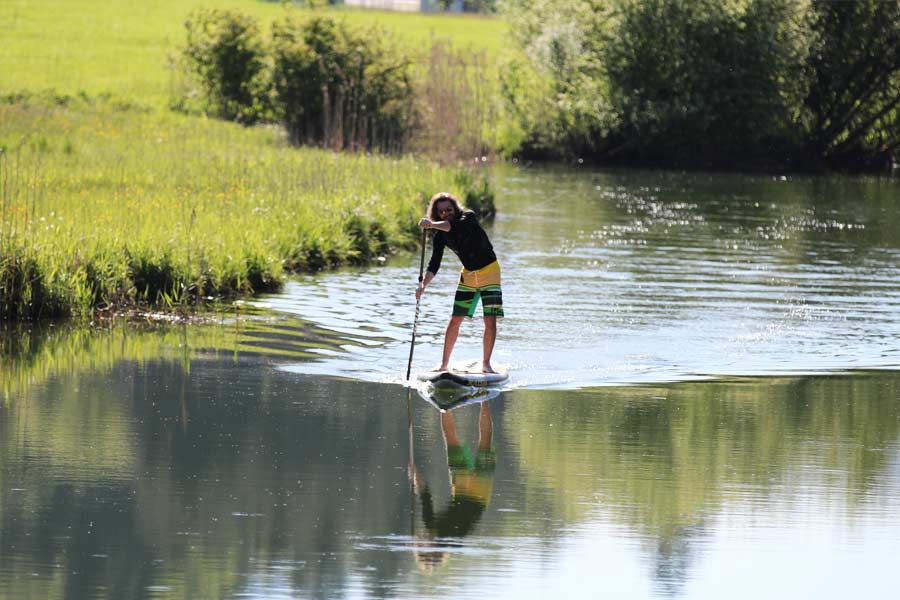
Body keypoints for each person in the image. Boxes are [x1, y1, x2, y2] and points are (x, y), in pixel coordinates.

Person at [416, 192, 503, 373]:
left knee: (489, 319)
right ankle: (443, 364)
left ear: (455, 208)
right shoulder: (440, 235)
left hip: (490, 272)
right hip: (468, 275)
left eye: (449, 209)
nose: (446, 213)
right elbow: (434, 263)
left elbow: (453, 225)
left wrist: (431, 224)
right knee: (455, 319)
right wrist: (423, 285)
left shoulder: (467, 217)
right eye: (440, 212)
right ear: (436, 213)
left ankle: (486, 364)